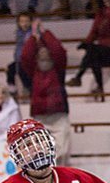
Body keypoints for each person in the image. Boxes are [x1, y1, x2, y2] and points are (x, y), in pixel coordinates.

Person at [21, 19, 72, 165]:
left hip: (59, 116)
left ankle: (61, 180)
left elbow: (58, 50)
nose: (44, 52)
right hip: (40, 117)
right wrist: (33, 36)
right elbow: (25, 56)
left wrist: (45, 33)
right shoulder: (33, 70)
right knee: (40, 155)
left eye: (46, 51)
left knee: (61, 152)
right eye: (40, 51)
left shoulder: (58, 69)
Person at [66, 0, 110, 99]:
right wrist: (86, 43)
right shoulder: (100, 14)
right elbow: (93, 32)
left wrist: (87, 46)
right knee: (93, 58)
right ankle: (100, 87)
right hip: (100, 52)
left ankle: (78, 77)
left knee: (92, 51)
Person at [6, 12, 33, 96]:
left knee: (22, 70)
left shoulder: (32, 33)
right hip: (19, 59)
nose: (24, 23)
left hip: (29, 59)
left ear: (31, 22)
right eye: (22, 21)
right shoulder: (18, 33)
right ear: (18, 23)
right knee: (10, 68)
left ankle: (29, 87)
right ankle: (12, 86)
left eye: (27, 21)